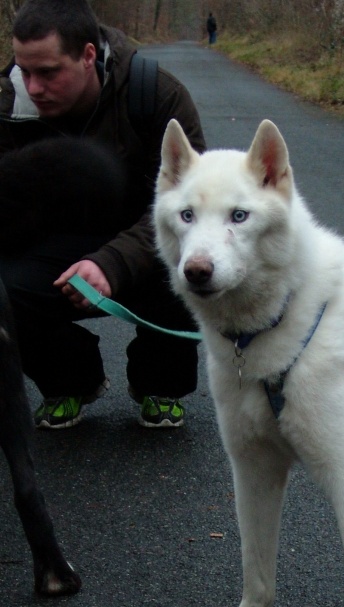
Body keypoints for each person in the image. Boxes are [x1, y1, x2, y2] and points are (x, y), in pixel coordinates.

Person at [0, 0, 207, 429]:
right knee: (3, 288)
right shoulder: (6, 105)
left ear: (88, 55)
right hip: (52, 245)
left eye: (49, 72)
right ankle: (70, 381)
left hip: (145, 240)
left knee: (190, 265)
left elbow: (194, 209)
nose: (33, 87)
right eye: (25, 71)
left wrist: (110, 261)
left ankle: (159, 384)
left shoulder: (157, 95)